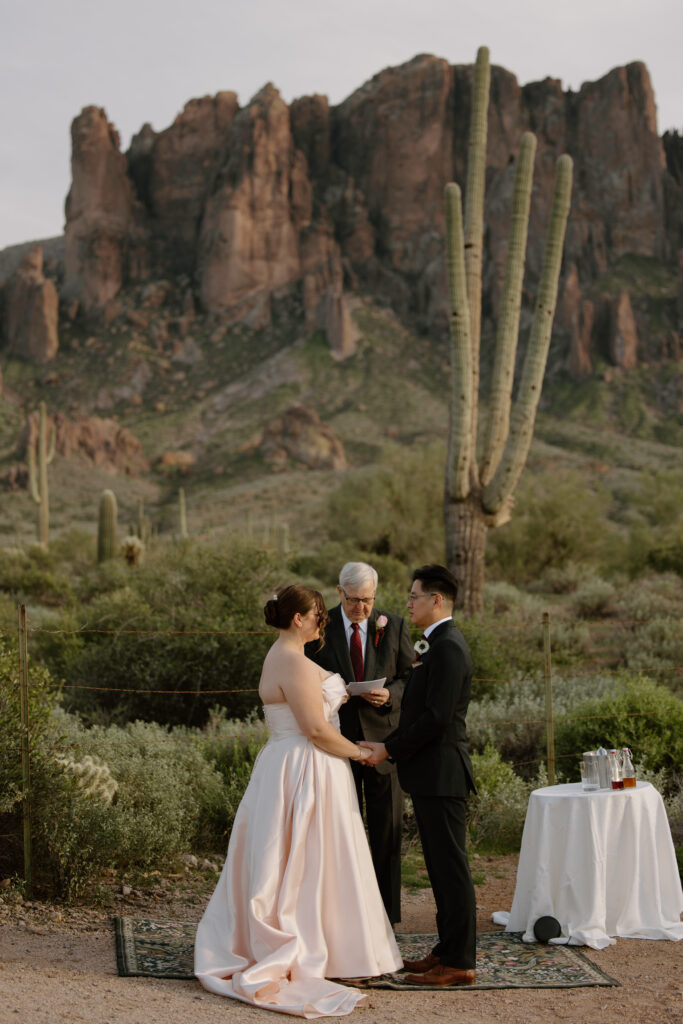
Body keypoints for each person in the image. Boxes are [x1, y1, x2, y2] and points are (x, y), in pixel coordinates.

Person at [194, 584, 402, 1018]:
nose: (321, 621)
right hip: (306, 765)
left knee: (303, 855)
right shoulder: (292, 661)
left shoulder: (285, 657)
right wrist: (363, 752)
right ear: (297, 619)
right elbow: (316, 730)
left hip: (289, 763)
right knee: (309, 856)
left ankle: (329, 944)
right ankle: (320, 949)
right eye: (316, 615)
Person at [359, 564, 477, 987]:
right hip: (427, 773)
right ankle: (446, 950)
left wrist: (388, 748)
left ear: (436, 600)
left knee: (451, 868)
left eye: (414, 596)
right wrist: (389, 744)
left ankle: (460, 961)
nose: (407, 603)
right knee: (438, 867)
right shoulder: (433, 643)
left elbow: (437, 719)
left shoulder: (448, 647)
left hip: (443, 773)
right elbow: (417, 711)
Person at [305, 562, 414, 925]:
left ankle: (386, 915)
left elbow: (409, 678)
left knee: (387, 832)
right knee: (340, 831)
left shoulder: (394, 625)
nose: (361, 609)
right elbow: (306, 676)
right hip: (338, 742)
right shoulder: (321, 627)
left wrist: (390, 695)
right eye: (354, 600)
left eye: (367, 600)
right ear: (339, 593)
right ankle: (343, 914)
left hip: (384, 742)